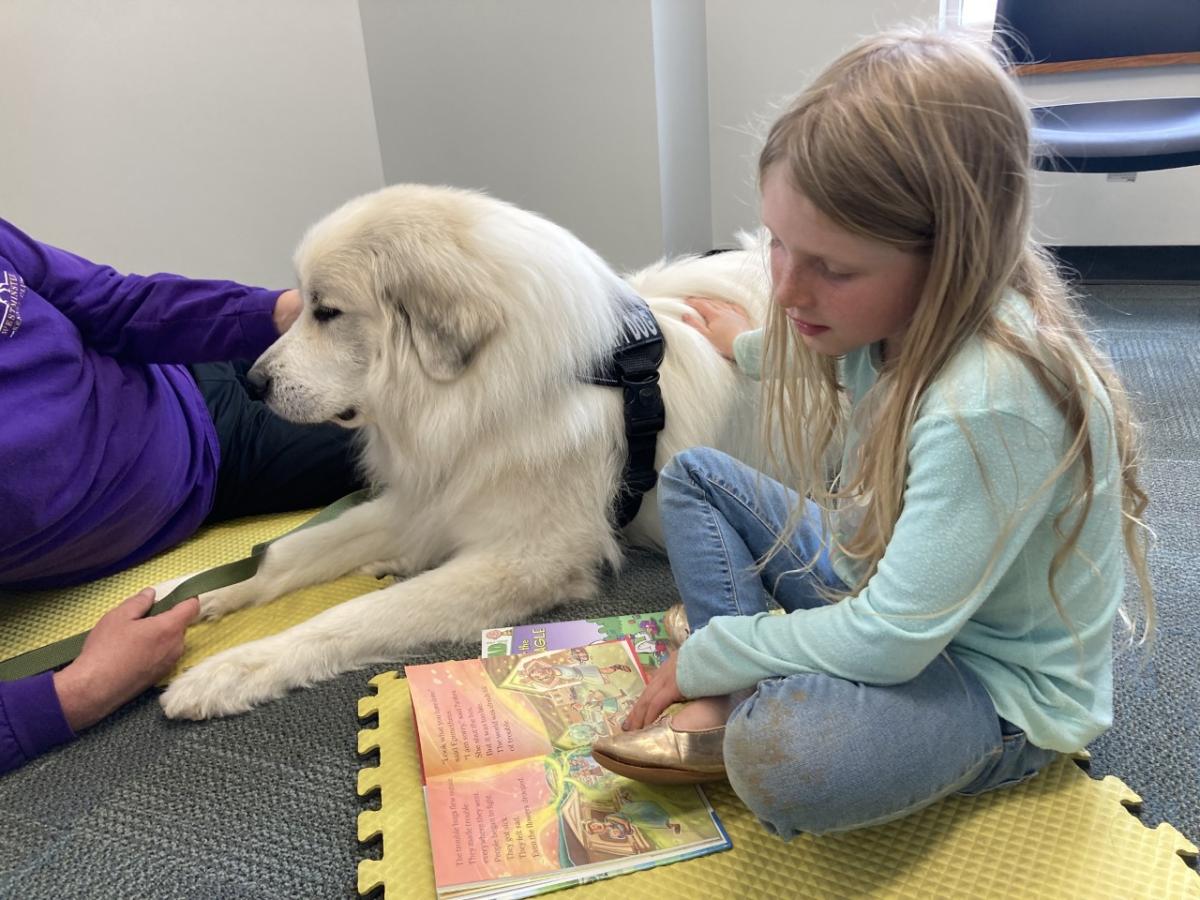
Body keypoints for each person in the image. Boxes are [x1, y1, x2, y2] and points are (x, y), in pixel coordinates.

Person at [591, 28, 1154, 838]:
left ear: (951, 254)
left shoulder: (989, 403)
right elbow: (822, 359)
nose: (785, 290)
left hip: (988, 685)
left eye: (834, 269)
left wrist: (716, 656)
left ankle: (739, 665)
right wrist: (741, 350)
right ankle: (752, 657)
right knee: (696, 477)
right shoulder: (893, 321)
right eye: (779, 243)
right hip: (889, 585)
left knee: (785, 761)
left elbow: (892, 639)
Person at [0, 218, 365, 773]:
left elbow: (108, 302)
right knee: (432, 441)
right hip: (210, 475)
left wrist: (284, 312)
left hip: (181, 372)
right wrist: (79, 692)